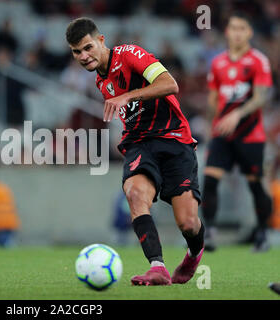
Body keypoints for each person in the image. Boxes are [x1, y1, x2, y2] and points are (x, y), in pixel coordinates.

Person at [65, 17, 204, 286]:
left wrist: (128, 95)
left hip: (174, 139)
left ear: (101, 40)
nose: (83, 56)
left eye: (87, 47)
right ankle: (157, 268)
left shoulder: (129, 54)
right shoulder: (101, 82)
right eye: (76, 52)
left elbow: (170, 84)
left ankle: (194, 253)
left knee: (188, 223)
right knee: (135, 193)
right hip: (140, 143)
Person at [203, 12, 273, 252]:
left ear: (249, 33)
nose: (237, 32)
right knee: (210, 180)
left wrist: (236, 114)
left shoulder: (258, 61)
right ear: (227, 32)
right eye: (233, 28)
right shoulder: (218, 63)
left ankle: (262, 233)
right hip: (222, 133)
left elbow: (260, 98)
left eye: (242, 28)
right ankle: (209, 233)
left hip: (250, 134)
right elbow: (213, 98)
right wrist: (215, 119)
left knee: (255, 184)